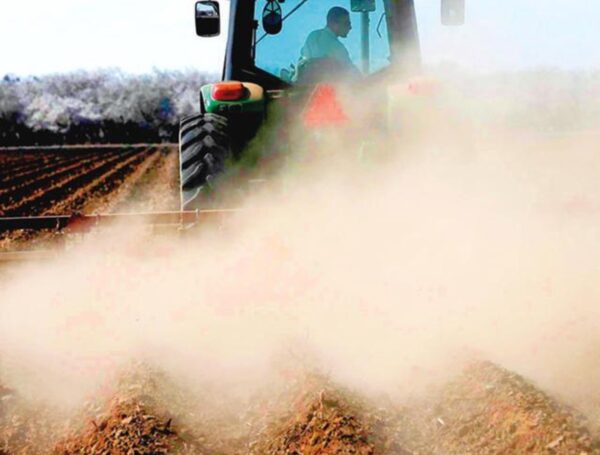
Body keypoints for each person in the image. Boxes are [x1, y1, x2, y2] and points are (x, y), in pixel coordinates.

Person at [298, 7, 360, 79]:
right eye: (347, 23)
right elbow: (351, 72)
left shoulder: (312, 36)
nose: (350, 27)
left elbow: (303, 59)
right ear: (333, 23)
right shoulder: (337, 47)